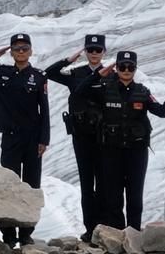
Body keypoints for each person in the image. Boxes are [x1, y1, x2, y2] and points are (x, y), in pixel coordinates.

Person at [73, 51, 165, 231]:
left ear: (135, 69)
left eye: (131, 67)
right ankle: (118, 235)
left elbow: (162, 112)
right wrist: (98, 75)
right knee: (113, 197)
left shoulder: (143, 92)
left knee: (134, 196)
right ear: (117, 68)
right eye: (122, 66)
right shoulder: (104, 89)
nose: (127, 70)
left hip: (136, 152)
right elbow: (79, 93)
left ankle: (133, 233)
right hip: (110, 151)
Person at [0, 33, 50, 248]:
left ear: (31, 51)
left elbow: (44, 111)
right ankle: (8, 234)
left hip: (33, 138)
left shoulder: (38, 76)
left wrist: (44, 139)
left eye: (25, 48)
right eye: (16, 48)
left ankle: (26, 233)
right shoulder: (1, 73)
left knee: (31, 185)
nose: (21, 52)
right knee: (8, 184)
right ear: (11, 52)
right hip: (10, 137)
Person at [44, 33, 107, 242]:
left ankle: (103, 227)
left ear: (104, 52)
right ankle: (90, 228)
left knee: (104, 184)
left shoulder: (110, 74)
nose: (94, 53)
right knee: (87, 185)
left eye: (98, 50)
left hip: (104, 137)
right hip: (81, 136)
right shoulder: (76, 73)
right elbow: (49, 73)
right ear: (85, 51)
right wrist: (69, 59)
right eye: (90, 50)